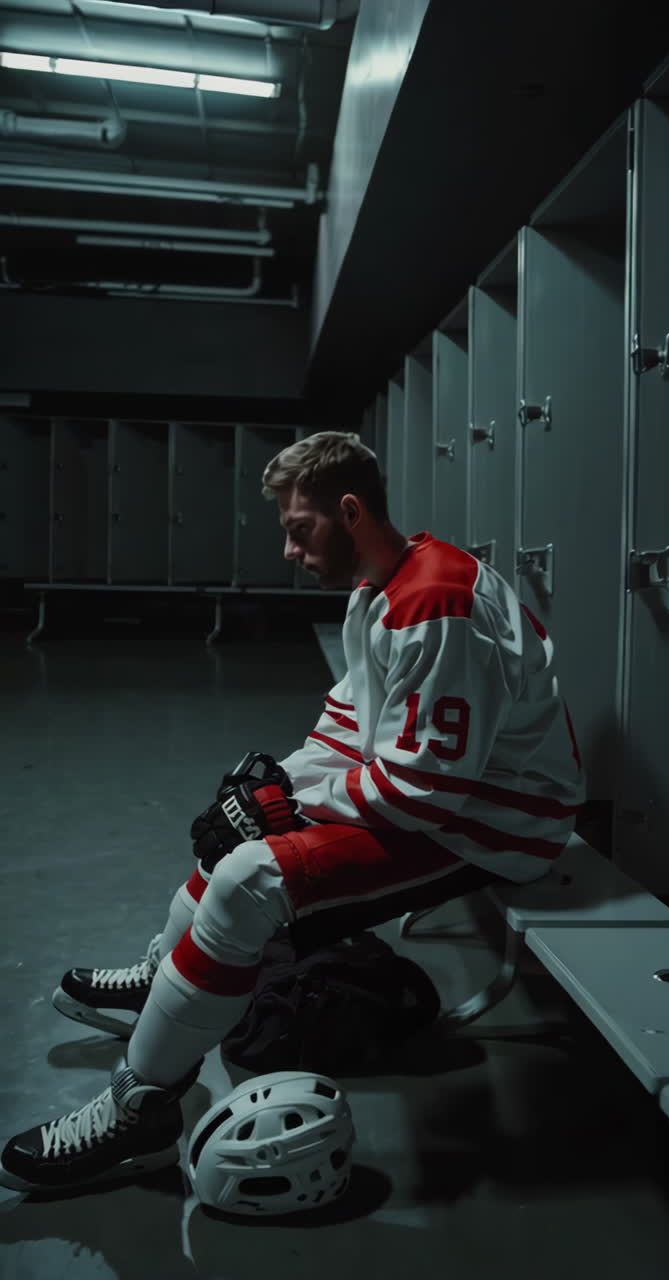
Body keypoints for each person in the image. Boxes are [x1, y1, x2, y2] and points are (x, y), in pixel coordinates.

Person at [0, 430, 585, 1192]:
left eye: (297, 528)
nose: (286, 549)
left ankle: (137, 1113)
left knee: (251, 877)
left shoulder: (435, 604)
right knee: (239, 836)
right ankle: (164, 977)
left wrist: (286, 804)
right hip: (448, 802)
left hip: (499, 822)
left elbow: (423, 791)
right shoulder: (382, 586)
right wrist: (271, 791)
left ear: (350, 512)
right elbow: (347, 731)